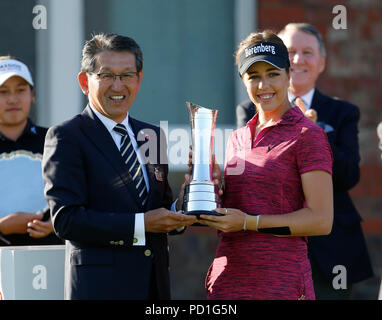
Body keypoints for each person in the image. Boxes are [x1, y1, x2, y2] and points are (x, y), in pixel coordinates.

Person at [42, 33, 197, 300]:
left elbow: (157, 210)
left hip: (153, 287)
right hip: (100, 289)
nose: (117, 86)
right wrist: (141, 224)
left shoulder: (152, 136)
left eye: (126, 75)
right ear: (84, 82)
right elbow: (67, 221)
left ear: (139, 80)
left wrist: (183, 204)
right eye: (106, 75)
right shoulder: (66, 137)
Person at [235, 23, 373, 299]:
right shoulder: (250, 110)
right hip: (270, 244)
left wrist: (315, 135)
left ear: (321, 63)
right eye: (290, 52)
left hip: (329, 248)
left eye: (307, 52)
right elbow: (248, 176)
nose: (298, 59)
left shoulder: (343, 112)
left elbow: (348, 176)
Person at [197, 30, 334, 300]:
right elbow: (235, 210)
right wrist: (205, 185)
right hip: (230, 282)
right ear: (243, 81)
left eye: (272, 74)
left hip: (279, 285)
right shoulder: (238, 137)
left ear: (288, 74)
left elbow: (321, 220)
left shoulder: (308, 135)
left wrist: (248, 222)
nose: (263, 86)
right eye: (254, 77)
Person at [0, 56, 62, 246]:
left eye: (21, 90)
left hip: (49, 256)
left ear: (32, 94)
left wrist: (55, 224)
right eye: (3, 92)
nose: (13, 99)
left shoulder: (57, 140)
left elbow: (80, 200)